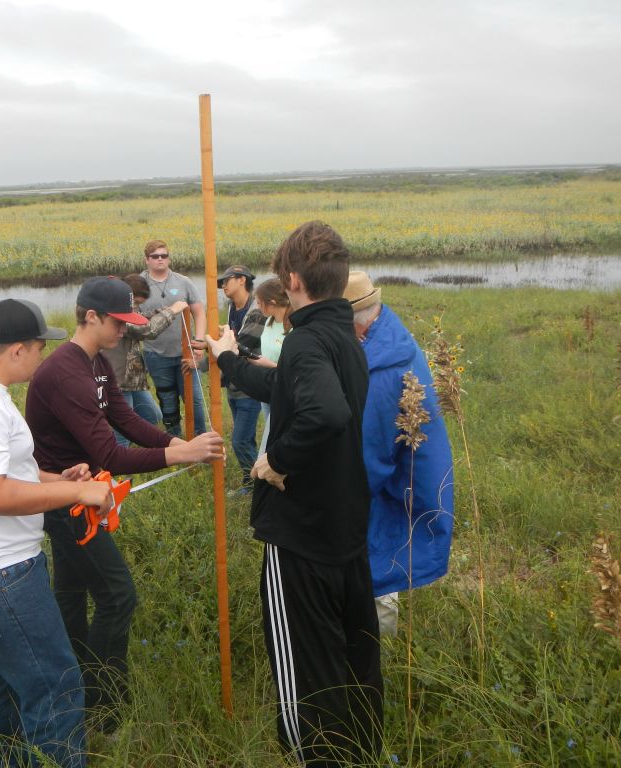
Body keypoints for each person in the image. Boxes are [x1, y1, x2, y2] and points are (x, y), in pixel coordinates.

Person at [205, 222, 383, 765]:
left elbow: (323, 412)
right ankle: (362, 751)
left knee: (306, 667)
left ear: (294, 279)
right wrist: (228, 360)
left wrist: (274, 462)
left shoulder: (307, 341)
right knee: (353, 654)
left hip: (302, 534)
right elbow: (290, 387)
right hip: (345, 528)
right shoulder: (342, 336)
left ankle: (318, 757)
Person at [25, 276, 224, 731]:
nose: (124, 330)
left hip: (82, 494)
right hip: (66, 500)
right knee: (117, 595)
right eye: (118, 322)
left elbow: (126, 419)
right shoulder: (63, 374)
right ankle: (105, 706)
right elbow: (109, 453)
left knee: (72, 594)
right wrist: (181, 454)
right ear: (90, 317)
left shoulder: (96, 364)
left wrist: (178, 440)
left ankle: (72, 680)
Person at [0, 298, 114, 768]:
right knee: (56, 685)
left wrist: (66, 482)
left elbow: (12, 475)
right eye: (38, 347)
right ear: (16, 350)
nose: (43, 357)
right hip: (0, 574)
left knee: (2, 683)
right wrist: (85, 498)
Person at [343, 271, 455, 638]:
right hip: (408, 482)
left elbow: (368, 463)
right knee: (385, 554)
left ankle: (375, 653)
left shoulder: (380, 367)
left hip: (398, 489)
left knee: (380, 567)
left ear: (355, 325)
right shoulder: (389, 336)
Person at [100, 274, 187, 446]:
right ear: (128, 296)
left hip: (132, 380)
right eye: (137, 303)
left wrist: (158, 312)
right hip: (118, 379)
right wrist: (172, 310)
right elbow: (147, 330)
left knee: (152, 416)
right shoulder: (116, 313)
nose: (137, 308)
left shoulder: (127, 309)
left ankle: (126, 449)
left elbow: (140, 318)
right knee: (123, 429)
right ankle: (119, 466)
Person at [139, 239, 208, 436]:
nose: (160, 260)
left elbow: (199, 313)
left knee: (194, 398)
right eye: (155, 256)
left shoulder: (183, 281)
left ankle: (201, 439)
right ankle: (174, 442)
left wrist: (199, 343)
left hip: (185, 353)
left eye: (164, 256)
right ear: (147, 260)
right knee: (167, 399)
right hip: (155, 353)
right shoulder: (138, 284)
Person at [216, 265, 266, 494]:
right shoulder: (231, 308)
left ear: (241, 280)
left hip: (249, 386)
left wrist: (217, 345)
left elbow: (240, 345)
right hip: (234, 386)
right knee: (246, 439)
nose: (223, 286)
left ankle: (256, 484)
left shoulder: (256, 310)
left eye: (226, 281)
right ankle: (254, 480)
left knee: (239, 441)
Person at [252, 277, 292, 455]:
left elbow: (294, 366)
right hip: (267, 386)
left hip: (283, 387)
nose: (258, 307)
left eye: (260, 303)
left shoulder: (293, 326)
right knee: (270, 430)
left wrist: (268, 364)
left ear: (272, 303)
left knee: (278, 433)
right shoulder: (268, 322)